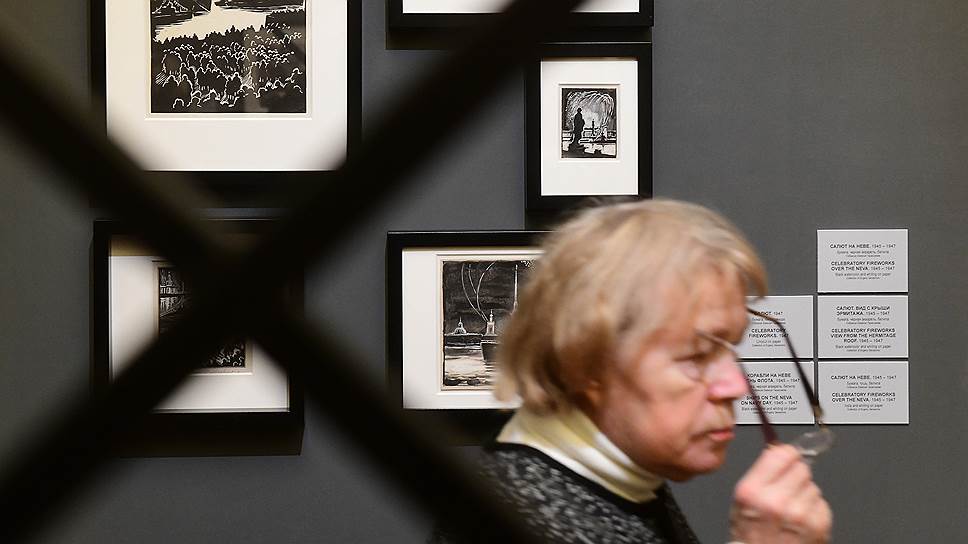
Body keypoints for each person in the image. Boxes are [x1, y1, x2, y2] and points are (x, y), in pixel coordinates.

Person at [431, 199, 832, 544]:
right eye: (696, 356)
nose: (736, 385)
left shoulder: (624, 479)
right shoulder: (517, 516)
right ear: (585, 363)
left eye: (731, 349)